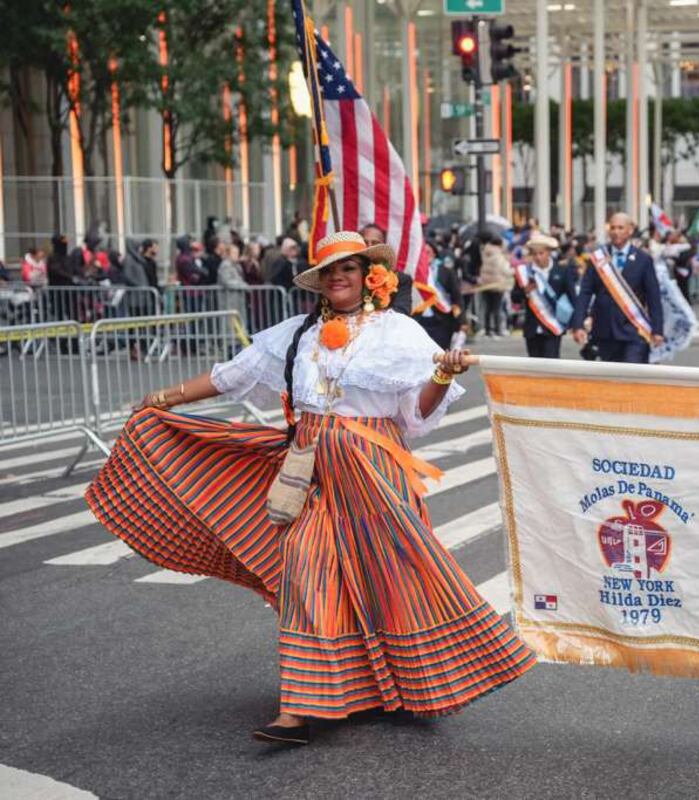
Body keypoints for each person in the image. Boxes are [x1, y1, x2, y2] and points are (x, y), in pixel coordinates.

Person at [85, 230, 535, 745]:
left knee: (391, 576)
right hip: (309, 465)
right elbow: (232, 375)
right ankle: (300, 709)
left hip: (372, 468)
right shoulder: (297, 332)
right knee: (306, 573)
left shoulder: (399, 332)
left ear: (370, 276)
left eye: (348, 268)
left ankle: (408, 682)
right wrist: (163, 397)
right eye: (329, 270)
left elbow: (416, 415)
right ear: (319, 282)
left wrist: (438, 374)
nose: (338, 276)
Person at [570, 212, 665, 363]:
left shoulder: (643, 260)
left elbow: (653, 297)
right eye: (612, 228)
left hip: (634, 332)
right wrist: (578, 324)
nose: (616, 232)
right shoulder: (598, 258)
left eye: (620, 228)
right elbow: (585, 293)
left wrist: (657, 330)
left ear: (630, 230)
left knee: (630, 379)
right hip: (604, 332)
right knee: (609, 381)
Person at [515, 233, 574, 358]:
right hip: (532, 329)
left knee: (551, 366)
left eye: (541, 253)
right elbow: (514, 298)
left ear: (548, 253)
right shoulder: (526, 273)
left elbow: (572, 296)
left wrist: (576, 323)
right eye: (534, 254)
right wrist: (525, 290)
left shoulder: (561, 271)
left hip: (553, 327)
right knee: (534, 369)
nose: (537, 257)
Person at [415, 244, 466, 350]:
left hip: (441, 319)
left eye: (428, 252)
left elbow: (456, 296)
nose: (425, 255)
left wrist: (462, 320)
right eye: (423, 253)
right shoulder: (414, 271)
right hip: (418, 318)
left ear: (434, 253)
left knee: (440, 354)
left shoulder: (445, 271)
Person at [359, 223, 413, 316]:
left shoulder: (401, 280)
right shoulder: (349, 277)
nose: (369, 246)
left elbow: (401, 312)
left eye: (375, 243)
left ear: (383, 245)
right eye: (365, 242)